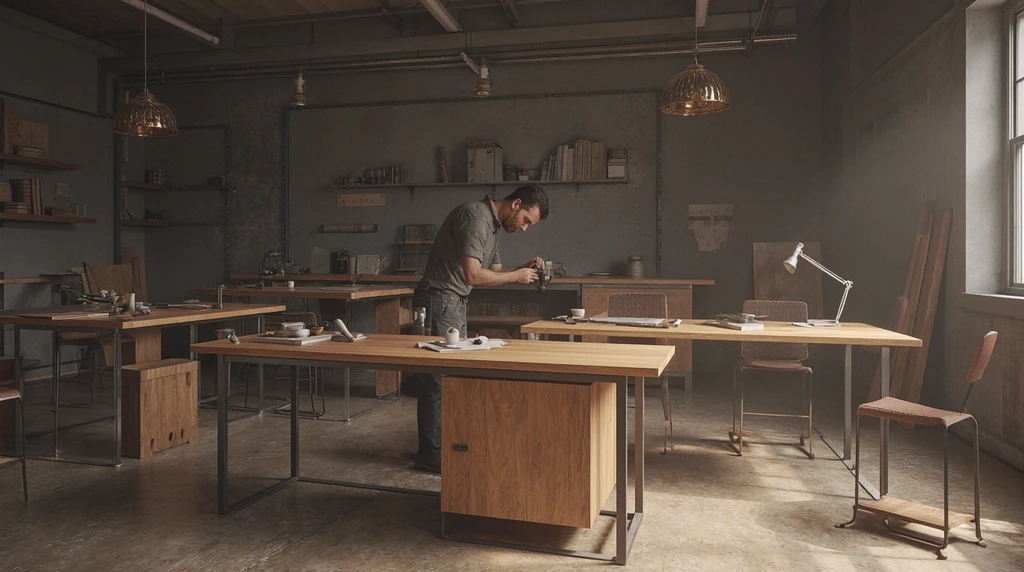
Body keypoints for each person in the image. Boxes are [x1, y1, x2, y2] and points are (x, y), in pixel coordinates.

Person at [411, 184, 550, 473]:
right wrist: (517, 276)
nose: (525, 228)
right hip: (440, 299)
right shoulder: (475, 217)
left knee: (451, 379)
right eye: (526, 220)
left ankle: (441, 447)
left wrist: (521, 269)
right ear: (516, 204)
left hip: (454, 301)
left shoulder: (493, 226)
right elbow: (473, 275)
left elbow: (496, 272)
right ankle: (430, 454)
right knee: (437, 380)